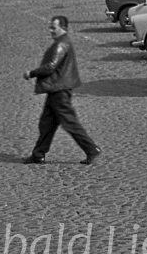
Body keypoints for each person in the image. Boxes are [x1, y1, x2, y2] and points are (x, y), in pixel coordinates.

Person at [22, 15, 100, 165]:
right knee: (47, 123)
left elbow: (51, 65)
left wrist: (31, 73)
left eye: (53, 27)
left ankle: (91, 149)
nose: (50, 30)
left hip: (60, 90)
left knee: (70, 122)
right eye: (50, 27)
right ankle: (38, 154)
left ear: (63, 28)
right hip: (57, 89)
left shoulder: (62, 44)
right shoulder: (62, 42)